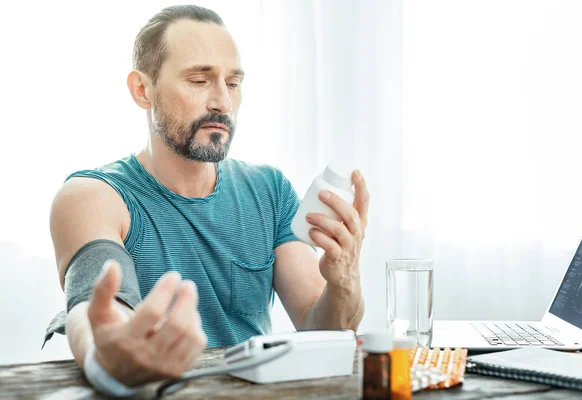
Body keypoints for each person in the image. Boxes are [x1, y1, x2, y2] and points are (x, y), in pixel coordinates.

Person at [43, 4, 369, 391]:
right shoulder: (92, 196)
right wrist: (105, 350)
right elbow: (92, 311)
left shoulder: (270, 190)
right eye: (199, 80)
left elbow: (324, 330)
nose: (223, 102)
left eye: (233, 83)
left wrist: (343, 278)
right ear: (142, 90)